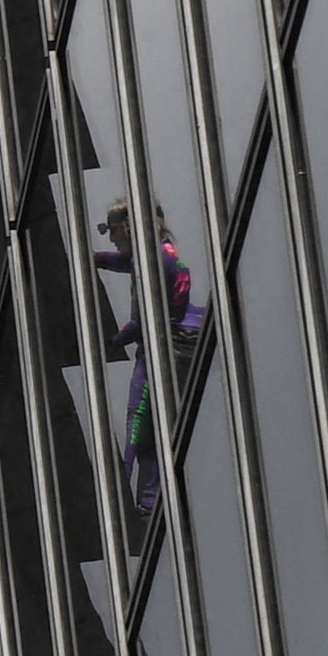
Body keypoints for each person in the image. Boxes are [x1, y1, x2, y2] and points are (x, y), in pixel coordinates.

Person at [95, 197, 210, 518]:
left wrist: (113, 342)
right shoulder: (157, 253)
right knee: (153, 427)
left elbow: (145, 319)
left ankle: (128, 487)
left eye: (112, 229)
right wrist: (98, 260)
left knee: (140, 420)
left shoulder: (156, 261)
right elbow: (124, 261)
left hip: (169, 345)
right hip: (175, 341)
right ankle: (147, 498)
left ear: (130, 228)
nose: (111, 238)